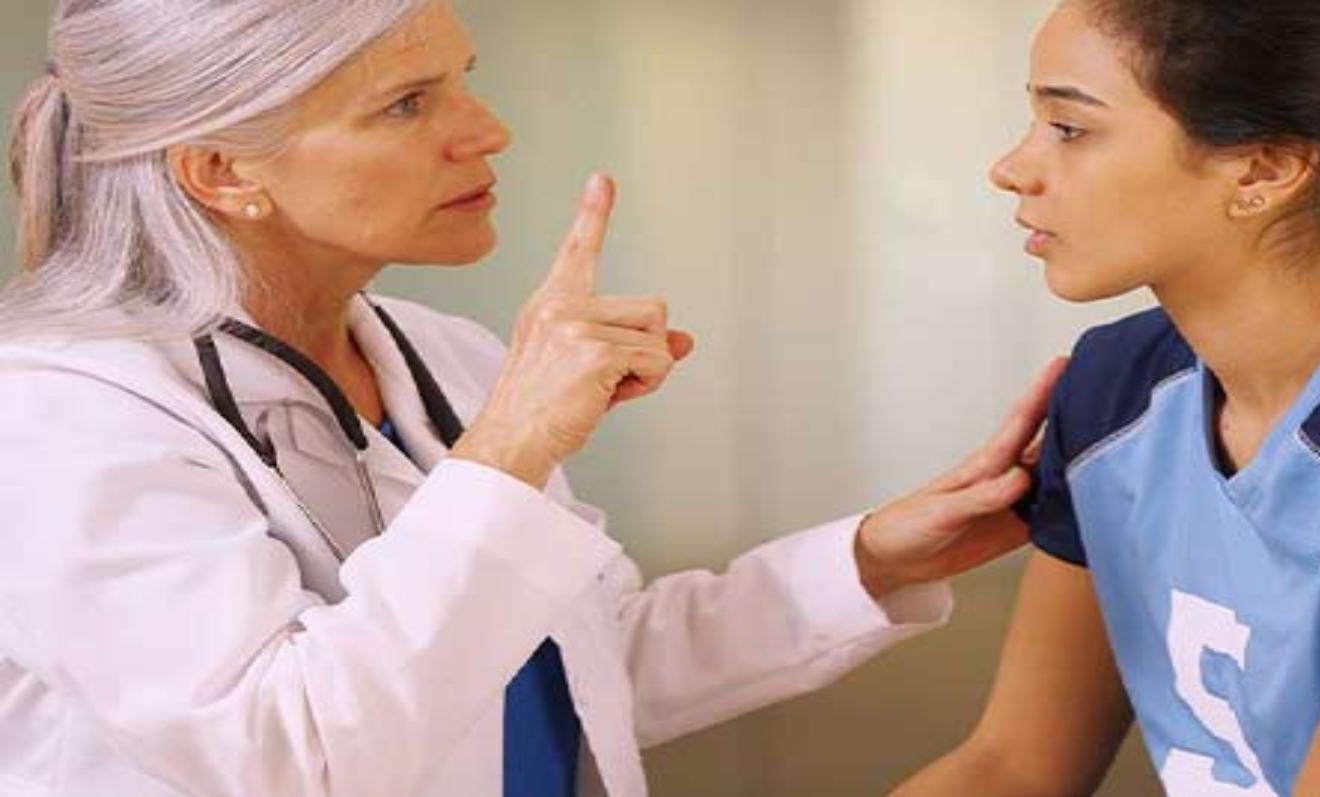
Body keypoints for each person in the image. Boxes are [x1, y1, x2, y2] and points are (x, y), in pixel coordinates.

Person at [0, 2, 1058, 795]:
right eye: (408, 104)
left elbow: (572, 670)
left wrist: (872, 558)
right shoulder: (58, 417)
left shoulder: (437, 357)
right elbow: (293, 748)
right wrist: (507, 448)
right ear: (224, 170)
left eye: (463, 80)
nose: (487, 129)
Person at [889, 1, 1320, 795]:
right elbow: (1011, 767)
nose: (1011, 167)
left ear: (1263, 170)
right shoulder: (1114, 389)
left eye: (1068, 128)